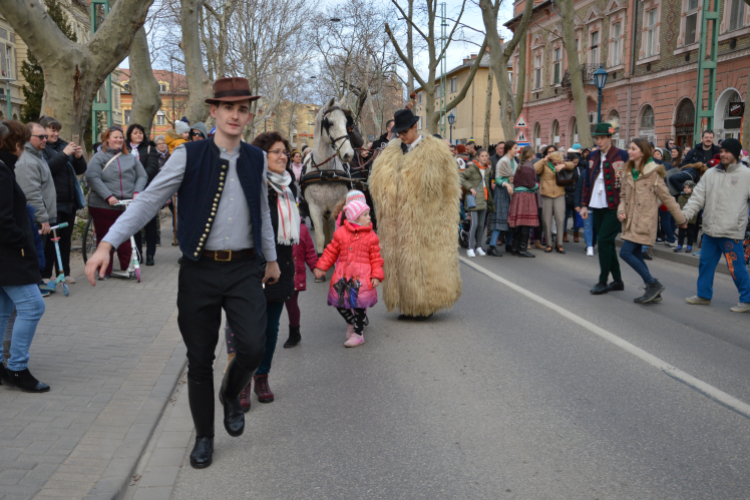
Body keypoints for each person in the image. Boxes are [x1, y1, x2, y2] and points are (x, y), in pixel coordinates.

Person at [84, 77, 280, 469]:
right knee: (199, 359)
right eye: (229, 108)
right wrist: (107, 242)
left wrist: (271, 258)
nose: (236, 115)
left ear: (249, 113)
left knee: (254, 348)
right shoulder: (188, 155)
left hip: (244, 268)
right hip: (199, 271)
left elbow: (261, 213)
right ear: (214, 111)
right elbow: (149, 201)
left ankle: (230, 395)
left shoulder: (257, 159)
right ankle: (205, 437)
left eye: (243, 109)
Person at [369, 108, 462, 319]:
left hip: (426, 220)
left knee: (424, 262)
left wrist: (443, 218)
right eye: (397, 132)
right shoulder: (390, 153)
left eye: (404, 131)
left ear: (414, 127)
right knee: (400, 262)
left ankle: (425, 305)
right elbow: (377, 183)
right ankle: (406, 303)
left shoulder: (436, 151)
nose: (400, 136)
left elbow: (450, 188)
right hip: (396, 221)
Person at [229, 131, 299, 409]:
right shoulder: (251, 187)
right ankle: (243, 382)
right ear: (261, 156)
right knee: (249, 332)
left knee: (271, 330)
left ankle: (262, 377)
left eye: (285, 151)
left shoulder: (288, 187)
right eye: (276, 152)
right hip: (252, 269)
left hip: (282, 267)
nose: (283, 156)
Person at [0, 120, 50, 392]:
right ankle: (18, 368)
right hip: (10, 255)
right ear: (16, 144)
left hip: (8, 253)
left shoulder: (5, 168)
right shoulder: (3, 170)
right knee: (33, 306)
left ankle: (5, 367)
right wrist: (22, 241)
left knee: (4, 310)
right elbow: (3, 220)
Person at [681, 138, 750, 312]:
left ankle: (747, 300)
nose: (723, 154)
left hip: (731, 231)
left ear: (737, 154)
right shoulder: (710, 174)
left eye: (728, 151)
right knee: (705, 264)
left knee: (737, 268)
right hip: (710, 230)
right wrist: (684, 216)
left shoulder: (746, 175)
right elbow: (697, 198)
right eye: (722, 150)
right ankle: (703, 295)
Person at [617, 138, 686, 304]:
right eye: (629, 148)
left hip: (644, 222)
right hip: (630, 221)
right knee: (634, 253)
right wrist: (621, 211)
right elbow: (623, 196)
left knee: (625, 252)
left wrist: (681, 219)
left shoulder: (653, 173)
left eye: (633, 148)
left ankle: (653, 283)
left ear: (643, 151)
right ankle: (652, 288)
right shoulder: (627, 171)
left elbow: (667, 198)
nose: (629, 151)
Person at [314, 200, 384, 347]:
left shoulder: (371, 237)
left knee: (359, 304)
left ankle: (358, 334)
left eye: (368, 214)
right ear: (355, 218)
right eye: (365, 215)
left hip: (362, 277)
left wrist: (377, 275)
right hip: (343, 275)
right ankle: (351, 322)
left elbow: (376, 258)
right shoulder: (340, 234)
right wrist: (322, 267)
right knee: (339, 302)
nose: (369, 217)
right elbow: (331, 252)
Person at [85, 127, 147, 278]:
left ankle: (128, 267)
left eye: (121, 137)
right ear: (107, 139)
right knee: (105, 236)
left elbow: (142, 176)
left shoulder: (131, 157)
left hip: (125, 204)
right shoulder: (99, 157)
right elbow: (92, 177)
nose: (119, 140)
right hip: (103, 205)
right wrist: (108, 196)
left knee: (125, 237)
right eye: (115, 137)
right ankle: (103, 270)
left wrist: (137, 192)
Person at [580, 122, 630, 295]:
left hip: (615, 205)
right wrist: (584, 204)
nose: (599, 141)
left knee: (602, 242)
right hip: (597, 203)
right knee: (606, 242)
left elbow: (630, 181)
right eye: (597, 138)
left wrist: (626, 206)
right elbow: (587, 181)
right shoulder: (592, 156)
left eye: (602, 138)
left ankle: (603, 281)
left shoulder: (622, 155)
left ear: (610, 138)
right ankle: (617, 281)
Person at [38, 116, 86, 284]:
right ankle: (45, 275)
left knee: (65, 239)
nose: (56, 133)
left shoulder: (64, 145)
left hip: (68, 202)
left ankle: (64, 272)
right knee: (50, 241)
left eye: (57, 130)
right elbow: (48, 169)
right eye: (52, 130)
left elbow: (80, 170)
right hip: (52, 203)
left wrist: (79, 157)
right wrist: (64, 155)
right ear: (43, 131)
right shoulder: (40, 149)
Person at [15, 123, 57, 289]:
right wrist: (43, 218)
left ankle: (38, 283)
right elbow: (31, 194)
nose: (45, 139)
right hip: (37, 220)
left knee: (42, 253)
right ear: (27, 138)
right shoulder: (27, 161)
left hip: (43, 217)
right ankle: (34, 285)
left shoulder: (37, 156)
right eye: (41, 137)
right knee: (35, 255)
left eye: (45, 136)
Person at [126, 124, 160, 266]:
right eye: (135, 133)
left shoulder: (149, 148)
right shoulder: (125, 149)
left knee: (150, 224)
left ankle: (150, 254)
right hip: (129, 191)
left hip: (147, 190)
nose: (139, 135)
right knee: (134, 224)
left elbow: (152, 167)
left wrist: (140, 180)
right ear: (130, 135)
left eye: (141, 133)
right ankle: (137, 254)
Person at [283, 220, 317, 349]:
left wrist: (316, 268)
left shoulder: (302, 228)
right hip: (276, 271)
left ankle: (294, 333)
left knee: (291, 304)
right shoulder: (272, 224)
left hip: (294, 273)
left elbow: (309, 251)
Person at [535, 150, 575, 253]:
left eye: (558, 160)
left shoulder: (562, 164)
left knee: (560, 220)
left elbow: (572, 165)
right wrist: (544, 160)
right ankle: (549, 244)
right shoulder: (544, 164)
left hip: (559, 195)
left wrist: (563, 165)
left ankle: (559, 244)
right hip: (546, 195)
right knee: (546, 220)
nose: (556, 162)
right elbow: (535, 169)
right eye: (554, 160)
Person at [460, 148, 494, 257]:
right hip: (474, 199)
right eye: (483, 156)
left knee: (481, 225)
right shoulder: (473, 168)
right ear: (478, 157)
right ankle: (470, 248)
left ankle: (479, 246)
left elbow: (487, 183)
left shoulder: (487, 169)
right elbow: (461, 177)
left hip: (484, 199)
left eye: (486, 156)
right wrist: (470, 188)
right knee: (474, 224)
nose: (485, 158)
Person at [507, 146, 539, 258]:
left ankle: (515, 247)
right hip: (526, 197)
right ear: (531, 155)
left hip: (518, 196)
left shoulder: (521, 165)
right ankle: (522, 249)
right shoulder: (528, 167)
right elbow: (530, 184)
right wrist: (537, 185)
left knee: (519, 224)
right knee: (526, 223)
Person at [489, 140, 517, 256]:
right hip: (502, 192)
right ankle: (492, 246)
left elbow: (514, 175)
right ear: (509, 149)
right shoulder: (503, 161)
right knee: (500, 219)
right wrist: (506, 184)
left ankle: (509, 244)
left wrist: (513, 180)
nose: (517, 150)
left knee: (510, 219)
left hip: (511, 191)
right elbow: (498, 178)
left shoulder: (513, 161)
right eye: (515, 148)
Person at [563, 150, 582, 243]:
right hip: (566, 196)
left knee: (576, 217)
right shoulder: (565, 170)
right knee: (565, 217)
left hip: (576, 197)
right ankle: (564, 234)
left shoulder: (579, 170)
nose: (575, 164)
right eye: (574, 162)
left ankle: (576, 234)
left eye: (577, 162)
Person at [675, 180, 698, 253]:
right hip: (682, 218)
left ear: (692, 189)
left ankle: (689, 246)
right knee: (681, 233)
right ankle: (679, 245)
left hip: (691, 220)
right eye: (685, 187)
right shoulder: (680, 197)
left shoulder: (694, 198)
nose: (686, 189)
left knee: (690, 233)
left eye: (688, 187)